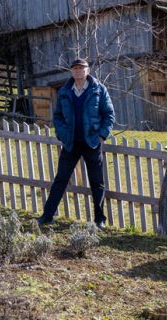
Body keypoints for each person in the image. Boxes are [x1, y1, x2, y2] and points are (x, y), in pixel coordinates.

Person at [37, 58, 115, 230]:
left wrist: (102, 135)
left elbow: (109, 114)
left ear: (88, 70)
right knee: (61, 179)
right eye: (75, 68)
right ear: (71, 71)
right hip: (71, 143)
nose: (78, 71)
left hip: (92, 143)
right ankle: (47, 216)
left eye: (82, 68)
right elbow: (57, 116)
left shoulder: (98, 90)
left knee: (97, 182)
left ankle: (99, 219)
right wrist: (63, 135)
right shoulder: (65, 91)